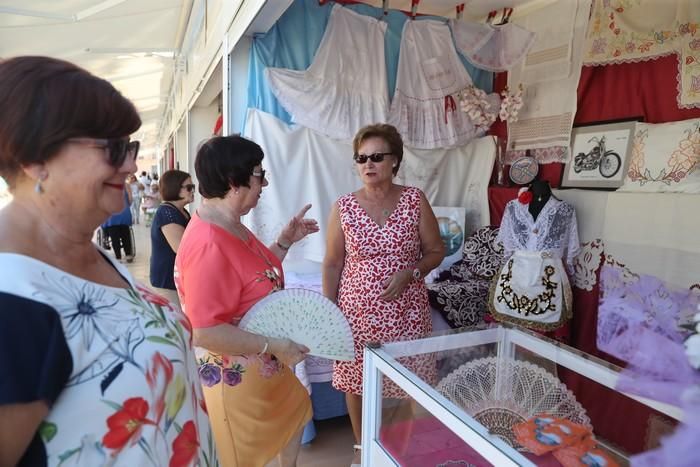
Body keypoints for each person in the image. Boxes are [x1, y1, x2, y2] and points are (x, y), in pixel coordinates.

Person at [0, 56, 218, 466]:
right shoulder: (13, 299)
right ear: (35, 159)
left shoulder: (79, 248)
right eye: (114, 149)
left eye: (130, 147)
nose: (132, 165)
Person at [175, 135, 319, 467]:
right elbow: (204, 330)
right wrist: (273, 346)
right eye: (258, 173)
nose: (264, 181)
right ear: (232, 179)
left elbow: (254, 276)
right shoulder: (208, 242)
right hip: (235, 381)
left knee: (296, 413)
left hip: (264, 366)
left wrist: (284, 242)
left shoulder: (229, 225)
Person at [322, 123, 445, 465]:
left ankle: (409, 451)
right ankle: (364, 450)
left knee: (415, 381)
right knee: (355, 381)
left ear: (395, 161)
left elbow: (436, 250)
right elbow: (332, 263)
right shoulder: (343, 207)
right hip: (356, 313)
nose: (368, 164)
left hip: (407, 310)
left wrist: (412, 273)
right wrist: (329, 313)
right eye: (361, 158)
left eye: (377, 156)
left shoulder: (414, 199)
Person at [150, 169, 193, 302]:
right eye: (189, 188)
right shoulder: (167, 213)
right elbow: (181, 248)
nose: (193, 191)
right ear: (175, 188)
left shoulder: (181, 211)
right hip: (167, 279)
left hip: (178, 277)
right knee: (177, 320)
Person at [101, 188, 134, 262]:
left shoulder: (104, 186)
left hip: (111, 216)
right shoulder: (125, 185)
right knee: (125, 235)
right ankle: (128, 254)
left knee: (114, 236)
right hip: (124, 213)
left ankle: (118, 256)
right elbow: (130, 200)